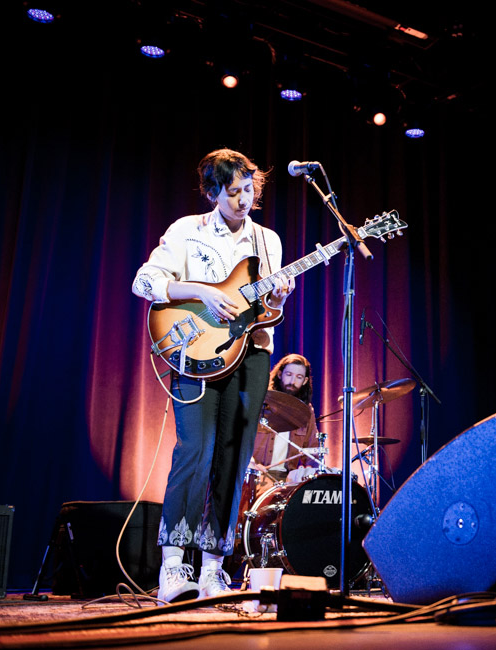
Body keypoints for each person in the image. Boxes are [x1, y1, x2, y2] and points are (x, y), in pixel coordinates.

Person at [132, 148, 292, 603]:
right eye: (233, 191)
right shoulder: (187, 230)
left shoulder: (268, 240)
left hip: (251, 354)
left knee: (234, 460)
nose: (244, 200)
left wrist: (279, 297)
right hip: (196, 353)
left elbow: (266, 310)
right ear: (212, 192)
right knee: (195, 452)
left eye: (249, 190)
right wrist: (202, 291)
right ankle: (172, 567)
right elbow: (144, 281)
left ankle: (212, 570)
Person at [265, 353, 321, 484]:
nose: (292, 382)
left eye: (299, 377)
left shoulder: (306, 411)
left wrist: (311, 471)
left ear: (305, 381)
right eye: (289, 374)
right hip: (258, 475)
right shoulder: (262, 403)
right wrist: (251, 463)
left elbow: (312, 449)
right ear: (280, 374)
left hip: (288, 479)